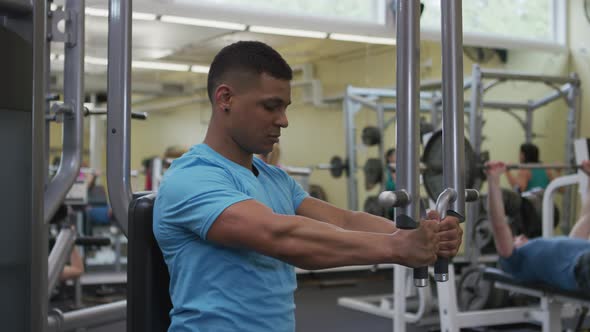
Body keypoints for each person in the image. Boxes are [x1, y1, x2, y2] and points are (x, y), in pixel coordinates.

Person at [153, 41, 463, 332]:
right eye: (270, 107)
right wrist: (397, 247)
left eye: (285, 107)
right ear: (225, 98)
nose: (284, 120)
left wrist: (421, 236)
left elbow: (345, 221)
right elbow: (280, 236)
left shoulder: (273, 178)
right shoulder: (191, 179)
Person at [485, 160, 590, 292]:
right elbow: (499, 225)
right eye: (515, 239)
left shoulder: (571, 242)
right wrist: (493, 180)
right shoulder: (515, 261)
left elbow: (587, 217)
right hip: (581, 267)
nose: (520, 236)